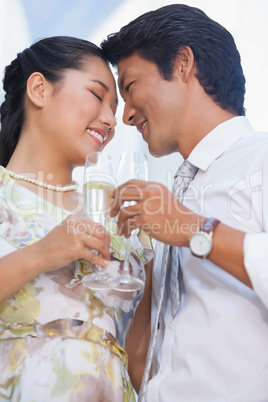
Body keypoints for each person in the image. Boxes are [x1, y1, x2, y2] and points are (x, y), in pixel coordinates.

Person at [101, 4, 268, 401]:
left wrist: (196, 230)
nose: (125, 116)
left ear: (182, 64)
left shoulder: (261, 159)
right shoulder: (172, 196)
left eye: (130, 86)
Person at [0, 36, 153, 401]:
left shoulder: (126, 219)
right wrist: (40, 254)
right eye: (97, 95)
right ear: (39, 89)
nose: (110, 119)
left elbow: (142, 357)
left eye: (115, 106)